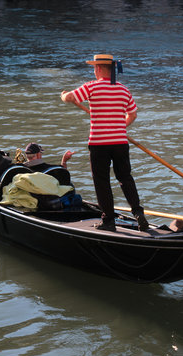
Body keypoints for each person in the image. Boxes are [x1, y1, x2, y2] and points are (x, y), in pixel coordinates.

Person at [60, 54, 149, 232]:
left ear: (99, 69)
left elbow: (71, 98)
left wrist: (63, 95)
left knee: (102, 182)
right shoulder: (124, 90)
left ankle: (108, 221)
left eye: (94, 67)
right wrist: (118, 126)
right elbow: (132, 115)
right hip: (120, 142)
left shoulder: (92, 87)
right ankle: (139, 214)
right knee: (125, 178)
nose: (93, 71)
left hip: (99, 143)